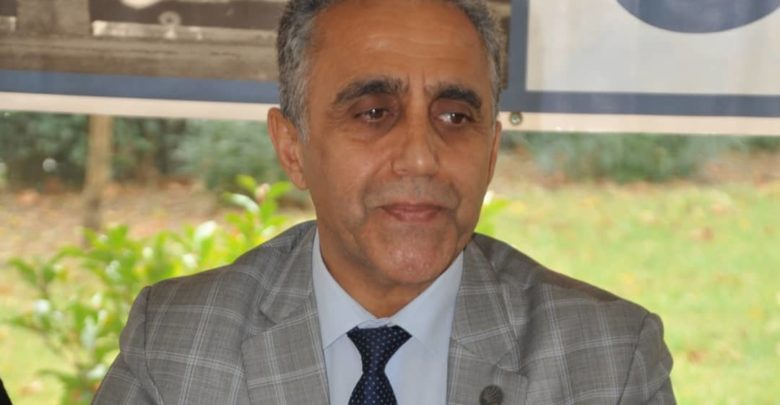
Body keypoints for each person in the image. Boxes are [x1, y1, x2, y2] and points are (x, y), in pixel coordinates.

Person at [94, 0, 675, 403]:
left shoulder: (605, 359)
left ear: (491, 152)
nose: (420, 158)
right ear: (293, 148)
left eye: (455, 116)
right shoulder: (178, 344)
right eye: (374, 113)